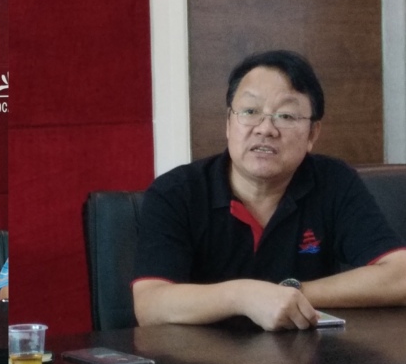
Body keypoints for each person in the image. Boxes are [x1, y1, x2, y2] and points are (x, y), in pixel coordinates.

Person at [131, 50, 406, 331]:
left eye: (285, 116)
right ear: (228, 123)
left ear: (312, 134)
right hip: (202, 356)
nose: (266, 129)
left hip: (308, 356)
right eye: (250, 112)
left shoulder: (333, 181)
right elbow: (150, 305)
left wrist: (291, 292)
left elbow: (401, 276)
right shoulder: (176, 192)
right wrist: (243, 296)